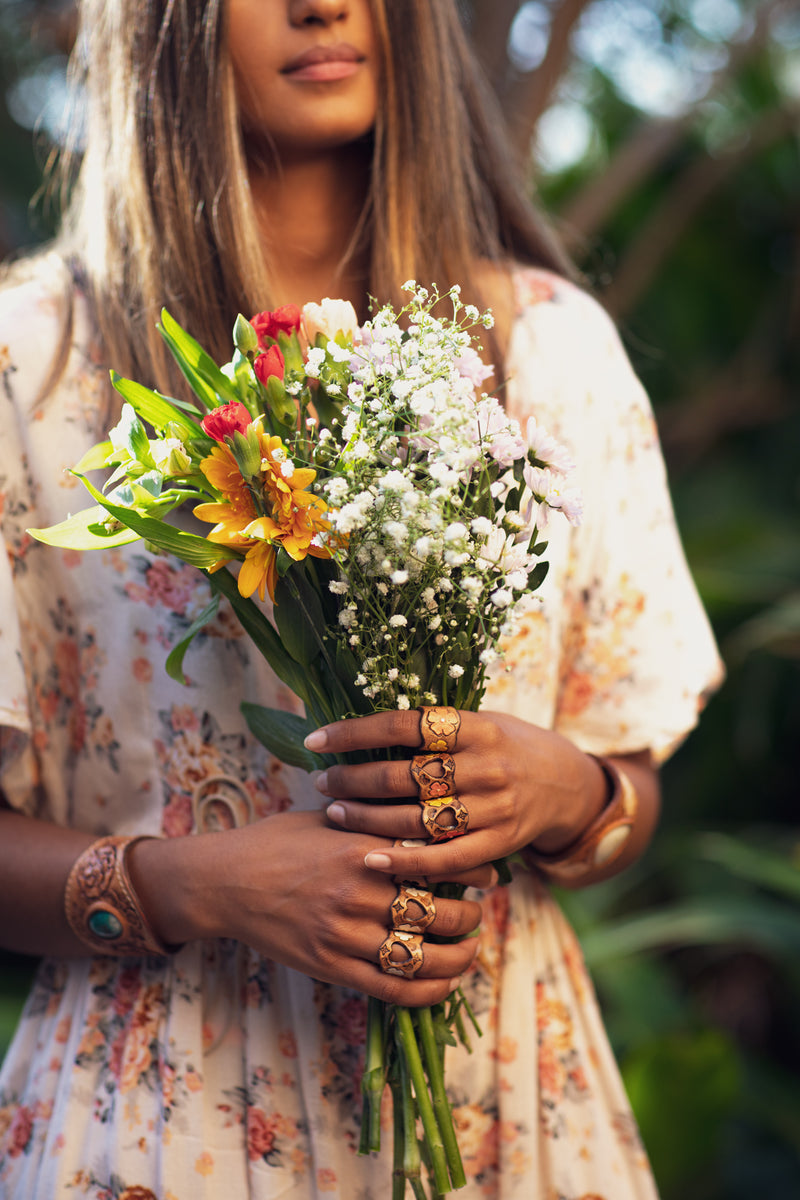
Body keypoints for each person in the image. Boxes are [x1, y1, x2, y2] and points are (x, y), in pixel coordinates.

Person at [0, 1, 723, 1196]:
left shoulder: (553, 352)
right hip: (155, 1128)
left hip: (504, 1116)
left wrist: (567, 788)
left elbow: (625, 787)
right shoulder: (37, 369)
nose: (321, 5)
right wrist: (189, 884)